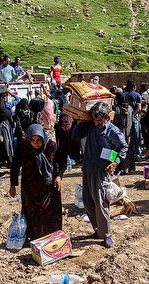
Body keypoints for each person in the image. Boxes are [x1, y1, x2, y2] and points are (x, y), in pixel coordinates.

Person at [72, 102, 128, 248]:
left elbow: (122, 148)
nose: (97, 123)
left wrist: (115, 161)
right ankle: (98, 230)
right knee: (88, 201)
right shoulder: (90, 126)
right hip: (88, 167)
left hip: (101, 170)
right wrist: (82, 121)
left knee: (100, 202)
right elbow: (75, 136)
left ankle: (106, 234)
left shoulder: (113, 131)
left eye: (100, 121)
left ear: (107, 118)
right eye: (95, 120)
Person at [9, 123, 66, 240]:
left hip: (49, 186)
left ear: (43, 138)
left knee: (50, 211)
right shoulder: (23, 147)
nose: (36, 143)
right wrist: (13, 184)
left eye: (38, 140)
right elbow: (15, 165)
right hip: (30, 187)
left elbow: (63, 162)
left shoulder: (52, 146)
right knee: (32, 212)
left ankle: (52, 236)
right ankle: (34, 236)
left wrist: (59, 176)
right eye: (33, 140)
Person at [112, 91, 135, 174]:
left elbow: (114, 123)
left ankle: (118, 167)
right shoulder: (130, 108)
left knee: (118, 150)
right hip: (129, 132)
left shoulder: (117, 109)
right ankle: (127, 168)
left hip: (119, 133)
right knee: (128, 150)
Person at [124, 79, 142, 159]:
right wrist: (133, 115)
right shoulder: (137, 95)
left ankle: (128, 153)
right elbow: (139, 109)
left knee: (126, 136)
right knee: (136, 136)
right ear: (134, 86)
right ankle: (137, 154)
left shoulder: (124, 95)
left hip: (125, 118)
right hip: (134, 118)